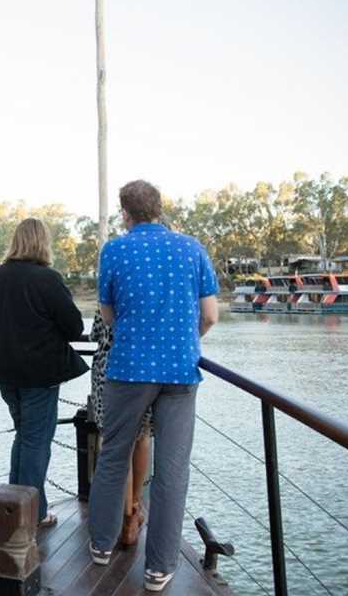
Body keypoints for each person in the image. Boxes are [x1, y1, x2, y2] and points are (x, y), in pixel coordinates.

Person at [88, 181, 219, 593]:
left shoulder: (115, 250)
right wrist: (184, 340)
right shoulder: (191, 248)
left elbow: (108, 313)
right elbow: (211, 315)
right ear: (160, 209)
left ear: (125, 214)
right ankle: (159, 568)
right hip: (180, 371)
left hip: (128, 370)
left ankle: (100, 545)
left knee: (113, 456)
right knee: (172, 471)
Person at [0, 218, 88, 527]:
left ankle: (13, 508)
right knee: (36, 442)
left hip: (6, 371)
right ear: (43, 242)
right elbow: (74, 326)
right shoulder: (46, 278)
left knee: (24, 438)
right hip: (38, 375)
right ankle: (31, 514)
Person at [89, 310, 152, 546]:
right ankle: (134, 510)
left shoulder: (108, 296)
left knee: (115, 444)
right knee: (142, 437)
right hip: (143, 370)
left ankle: (124, 518)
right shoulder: (148, 297)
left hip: (108, 371)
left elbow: (96, 333)